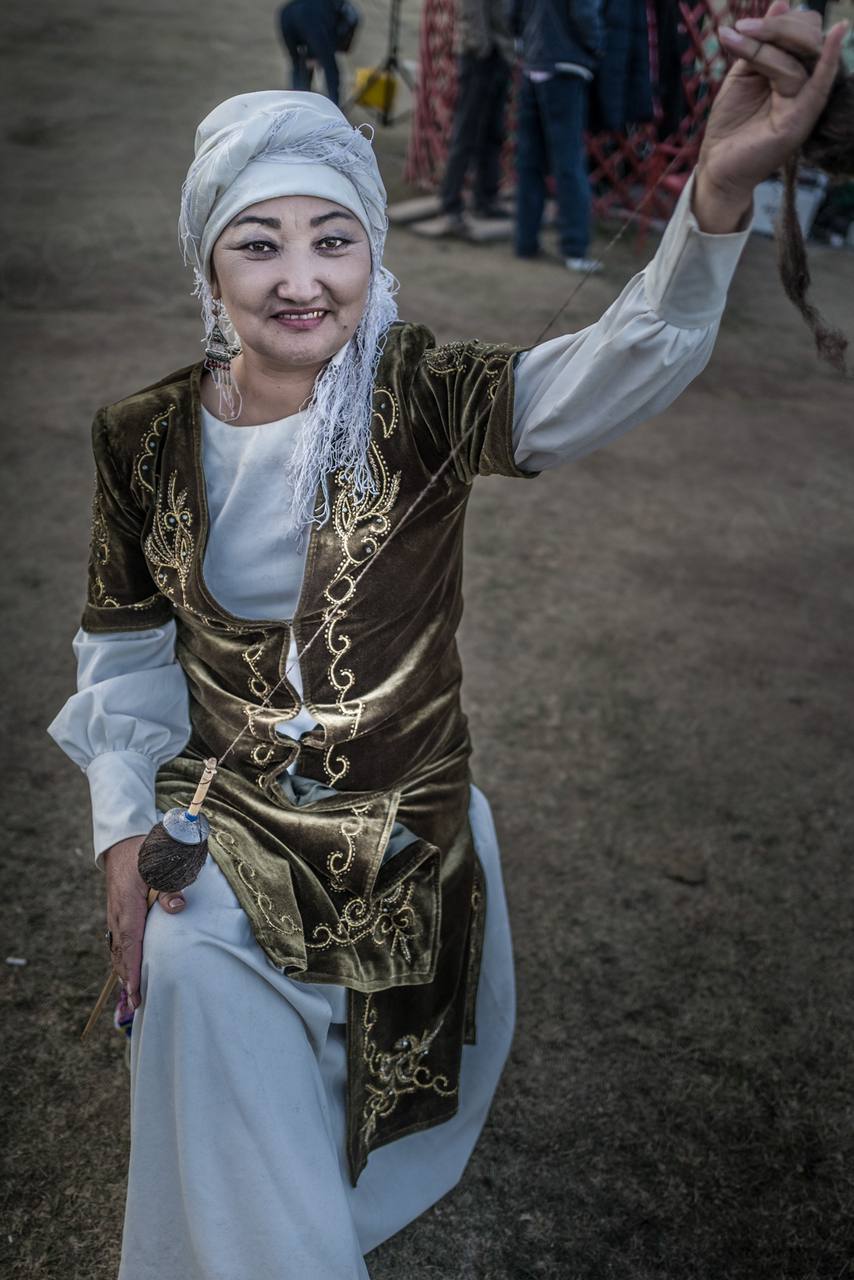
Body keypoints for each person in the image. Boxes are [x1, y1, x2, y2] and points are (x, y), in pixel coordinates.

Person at [46, 9, 848, 1276]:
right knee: (191, 974)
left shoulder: (421, 390)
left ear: (373, 256)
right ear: (210, 271)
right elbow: (125, 651)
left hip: (397, 830)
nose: (300, 277)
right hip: (225, 825)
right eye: (258, 245)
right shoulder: (138, 436)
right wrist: (118, 832)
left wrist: (714, 194)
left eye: (333, 240)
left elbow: (627, 357)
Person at [511, 0, 606, 272]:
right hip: (565, 65)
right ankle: (574, 249)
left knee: (529, 163)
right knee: (569, 163)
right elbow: (584, 13)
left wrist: (525, 40)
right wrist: (596, 46)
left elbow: (512, 10)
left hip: (533, 64)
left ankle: (525, 242)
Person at [437, 0, 514, 233]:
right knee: (466, 132)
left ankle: (486, 197)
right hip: (479, 55)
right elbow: (471, 8)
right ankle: (451, 203)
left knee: (493, 131)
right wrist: (481, 46)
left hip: (499, 53)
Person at [278, 0, 342, 104]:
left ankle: (297, 104)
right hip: (312, 15)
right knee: (330, 67)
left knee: (298, 63)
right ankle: (335, 108)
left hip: (287, 14)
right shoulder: (339, 7)